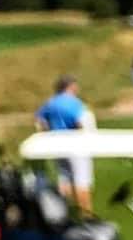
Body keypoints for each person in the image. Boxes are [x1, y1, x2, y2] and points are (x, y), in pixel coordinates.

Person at [34, 74, 98, 212]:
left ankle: (64, 213)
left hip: (57, 144)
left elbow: (40, 123)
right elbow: (82, 123)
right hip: (75, 144)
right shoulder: (74, 103)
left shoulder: (49, 103)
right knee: (82, 182)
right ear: (70, 87)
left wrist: (48, 133)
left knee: (64, 179)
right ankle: (86, 216)